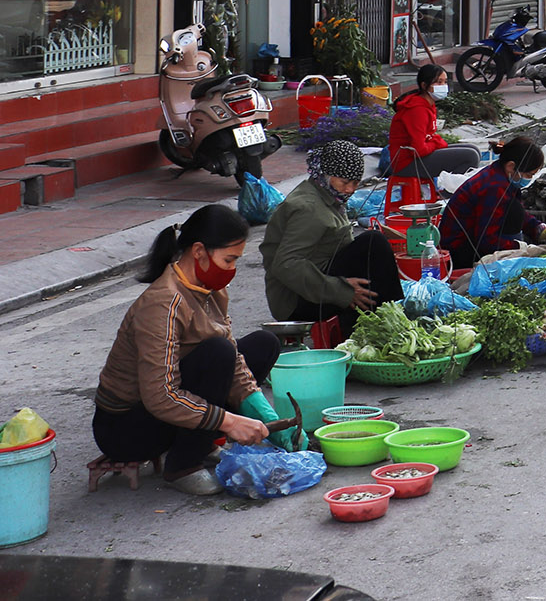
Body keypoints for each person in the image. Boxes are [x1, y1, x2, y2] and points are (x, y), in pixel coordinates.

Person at [93, 205, 280, 496]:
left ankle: (203, 442)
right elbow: (161, 396)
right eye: (228, 260)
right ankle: (183, 464)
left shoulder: (211, 289)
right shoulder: (163, 302)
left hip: (173, 402)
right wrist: (230, 421)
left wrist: (264, 413)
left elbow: (234, 357)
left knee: (263, 344)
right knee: (217, 354)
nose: (232, 270)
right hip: (126, 427)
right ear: (199, 252)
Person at [261, 140, 401, 331]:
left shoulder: (327, 194)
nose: (350, 189)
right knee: (372, 244)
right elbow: (287, 264)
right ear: (326, 175)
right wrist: (341, 291)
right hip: (295, 301)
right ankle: (387, 327)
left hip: (318, 282)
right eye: (345, 182)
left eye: (355, 183)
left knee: (372, 250)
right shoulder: (309, 208)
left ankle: (385, 323)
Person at [439, 137, 546, 269]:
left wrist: (543, 230)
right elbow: (486, 241)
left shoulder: (501, 175)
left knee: (516, 212)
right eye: (529, 174)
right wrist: (520, 247)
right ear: (511, 166)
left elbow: (520, 214)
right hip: (459, 253)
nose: (530, 179)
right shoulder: (494, 187)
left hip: (472, 240)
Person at [388, 65, 482, 178]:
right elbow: (419, 149)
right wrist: (436, 143)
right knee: (470, 156)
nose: (443, 86)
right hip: (407, 163)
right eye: (438, 82)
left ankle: (451, 189)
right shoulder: (417, 110)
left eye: (445, 82)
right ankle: (449, 193)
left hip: (418, 157)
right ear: (424, 85)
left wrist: (435, 142)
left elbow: (428, 137)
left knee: (473, 149)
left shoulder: (428, 105)